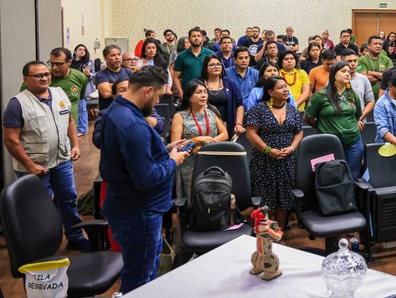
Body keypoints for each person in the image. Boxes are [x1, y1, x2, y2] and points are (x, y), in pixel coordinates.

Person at [99, 66, 188, 293]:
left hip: (132, 207)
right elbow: (146, 178)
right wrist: (172, 161)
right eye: (158, 96)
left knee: (145, 268)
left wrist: (165, 149)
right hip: (138, 212)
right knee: (140, 278)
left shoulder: (116, 111)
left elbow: (132, 158)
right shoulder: (133, 125)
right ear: (148, 91)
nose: (157, 102)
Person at [3, 60, 89, 252]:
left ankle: (74, 237)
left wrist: (75, 145)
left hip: (62, 161)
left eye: (46, 74)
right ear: (26, 79)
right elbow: (10, 140)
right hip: (34, 167)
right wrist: (30, 165)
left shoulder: (59, 94)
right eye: (38, 75)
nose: (44, 78)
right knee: (37, 208)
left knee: (68, 199)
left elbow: (70, 122)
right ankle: (39, 247)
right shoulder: (18, 104)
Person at [244, 76, 303, 229]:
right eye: (281, 87)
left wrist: (292, 148)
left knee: (283, 197)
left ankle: (279, 231)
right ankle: (263, 233)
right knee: (263, 198)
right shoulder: (259, 109)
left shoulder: (292, 109)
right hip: (263, 160)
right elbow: (251, 133)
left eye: (286, 87)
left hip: (286, 160)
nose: (286, 90)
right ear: (270, 92)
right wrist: (268, 150)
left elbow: (299, 132)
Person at [304, 61, 364, 178]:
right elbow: (308, 117)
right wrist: (322, 127)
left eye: (348, 71)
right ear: (333, 75)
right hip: (329, 143)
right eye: (343, 71)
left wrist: (355, 124)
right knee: (331, 176)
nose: (347, 74)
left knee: (353, 175)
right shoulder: (320, 96)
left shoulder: (353, 95)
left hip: (353, 142)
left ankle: (351, 196)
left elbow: (357, 116)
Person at [170, 79, 229, 197]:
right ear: (189, 97)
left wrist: (207, 144)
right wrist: (197, 140)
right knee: (192, 198)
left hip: (211, 159)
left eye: (205, 92)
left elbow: (225, 135)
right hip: (189, 163)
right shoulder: (180, 116)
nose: (203, 95)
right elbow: (175, 145)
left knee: (212, 197)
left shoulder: (212, 111)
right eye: (199, 92)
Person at [42, 48, 88, 137]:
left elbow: (80, 99)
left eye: (59, 64)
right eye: (52, 63)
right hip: (47, 131)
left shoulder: (80, 77)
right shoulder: (43, 79)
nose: (55, 67)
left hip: (70, 130)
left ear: (69, 62)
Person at [200, 54, 244, 138]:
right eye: (212, 65)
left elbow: (239, 104)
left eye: (218, 64)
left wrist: (238, 124)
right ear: (205, 68)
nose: (216, 66)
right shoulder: (198, 83)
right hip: (203, 125)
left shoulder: (230, 83)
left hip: (227, 124)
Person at [173, 28, 214, 96]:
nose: (196, 38)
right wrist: (181, 93)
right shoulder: (181, 56)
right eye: (193, 36)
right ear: (189, 39)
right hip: (188, 93)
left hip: (208, 91)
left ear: (202, 38)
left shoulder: (210, 54)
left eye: (198, 36)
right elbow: (176, 77)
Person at [96, 44, 133, 110]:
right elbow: (106, 93)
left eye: (119, 54)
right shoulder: (101, 74)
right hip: (108, 112)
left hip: (127, 110)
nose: (117, 57)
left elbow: (136, 91)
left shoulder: (129, 72)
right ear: (105, 58)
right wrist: (127, 89)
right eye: (113, 55)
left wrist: (112, 86)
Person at [342, 50, 375, 121]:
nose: (353, 64)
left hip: (361, 121)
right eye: (349, 61)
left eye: (355, 61)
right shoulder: (335, 80)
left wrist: (360, 117)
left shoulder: (363, 79)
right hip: (341, 122)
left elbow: (371, 101)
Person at [71, 44, 94, 136]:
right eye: (80, 49)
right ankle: (74, 127)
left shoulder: (88, 63)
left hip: (82, 87)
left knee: (81, 109)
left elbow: (93, 74)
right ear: (75, 51)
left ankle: (82, 129)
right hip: (71, 87)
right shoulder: (70, 61)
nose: (82, 51)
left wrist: (88, 74)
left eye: (84, 50)